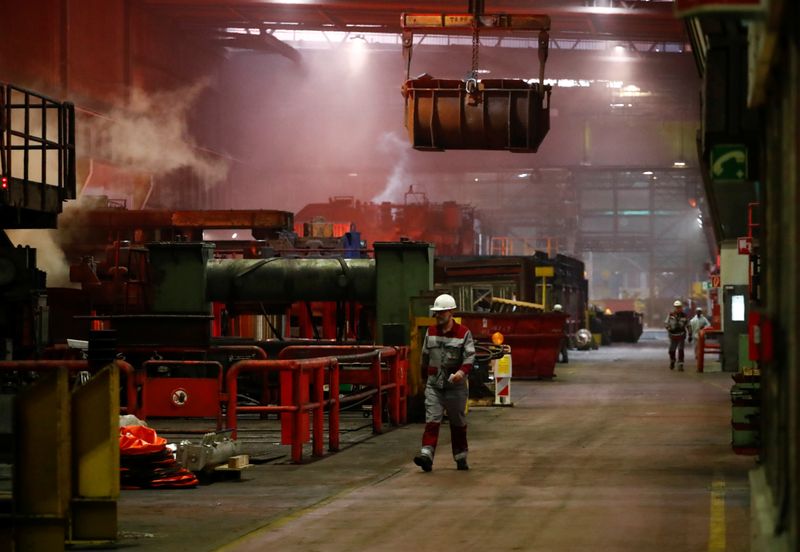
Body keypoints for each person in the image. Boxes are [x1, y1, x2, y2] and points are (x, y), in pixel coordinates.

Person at [413, 293, 476, 472]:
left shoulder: (464, 333)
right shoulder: (430, 332)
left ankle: (461, 456)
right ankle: (426, 456)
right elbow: (424, 357)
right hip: (434, 386)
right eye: (436, 313)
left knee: (457, 422)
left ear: (451, 312)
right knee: (432, 420)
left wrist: (461, 373)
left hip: (455, 387)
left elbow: (470, 357)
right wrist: (423, 379)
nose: (437, 316)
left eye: (441, 312)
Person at [664, 299, 689, 371]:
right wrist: (669, 328)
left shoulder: (684, 315)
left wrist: (690, 334)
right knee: (671, 350)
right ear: (674, 308)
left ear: (681, 307)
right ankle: (672, 360)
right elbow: (666, 323)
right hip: (673, 335)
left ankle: (680, 364)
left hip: (681, 334)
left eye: (679, 307)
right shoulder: (670, 315)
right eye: (676, 307)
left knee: (681, 350)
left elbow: (688, 325)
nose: (678, 309)